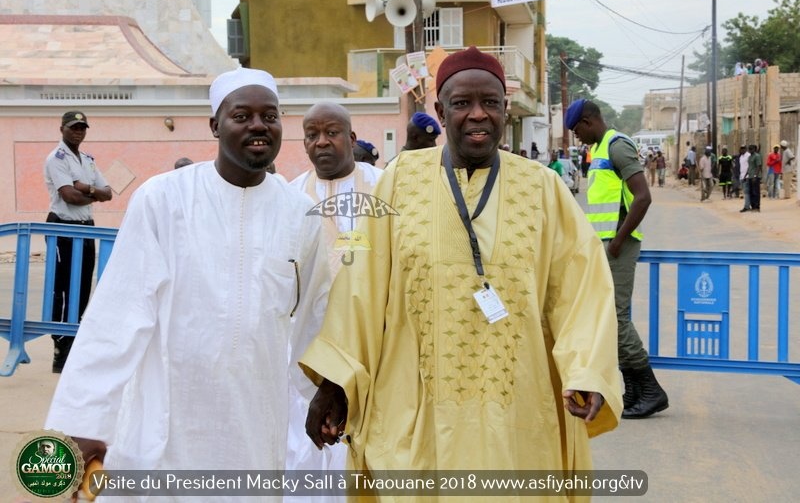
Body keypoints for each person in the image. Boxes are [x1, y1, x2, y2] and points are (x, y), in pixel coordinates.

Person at [301, 47, 621, 476]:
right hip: (414, 408)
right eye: (462, 103)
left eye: (490, 103)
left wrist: (586, 370)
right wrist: (335, 383)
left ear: (505, 110)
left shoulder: (542, 187)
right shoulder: (400, 179)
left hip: (518, 412)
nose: (477, 115)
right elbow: (362, 288)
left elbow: (582, 290)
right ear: (440, 109)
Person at [46, 68, 331, 480]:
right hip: (169, 418)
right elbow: (118, 314)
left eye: (270, 116)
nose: (258, 126)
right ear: (215, 125)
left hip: (255, 420)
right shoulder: (164, 199)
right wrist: (86, 422)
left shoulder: (299, 213)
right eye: (242, 115)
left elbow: (315, 317)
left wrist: (327, 390)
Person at [565, 98, 669, 419]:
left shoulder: (616, 146)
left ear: (588, 120)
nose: (576, 137)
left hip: (618, 246)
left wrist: (617, 241)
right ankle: (635, 389)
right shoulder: (598, 151)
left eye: (576, 130)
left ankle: (651, 390)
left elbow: (643, 197)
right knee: (610, 319)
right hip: (606, 245)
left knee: (617, 318)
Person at [44, 110, 113, 373]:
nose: (78, 132)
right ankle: (60, 346)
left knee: (83, 284)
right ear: (61, 128)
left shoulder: (88, 160)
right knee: (63, 285)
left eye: (82, 128)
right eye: (73, 127)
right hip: (63, 226)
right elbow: (69, 197)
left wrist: (86, 188)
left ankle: (75, 338)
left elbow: (108, 192)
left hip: (86, 228)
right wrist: (91, 192)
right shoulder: (57, 158)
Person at [291, 101, 384, 276]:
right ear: (305, 144)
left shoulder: (382, 184)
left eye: (332, 133)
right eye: (312, 135)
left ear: (352, 139)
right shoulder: (293, 194)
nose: (322, 142)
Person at [746, 144, 762, 212]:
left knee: (756, 192)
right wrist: (746, 175)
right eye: (749, 149)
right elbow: (749, 167)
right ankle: (753, 206)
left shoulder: (757, 156)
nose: (750, 150)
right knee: (751, 192)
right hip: (750, 176)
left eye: (751, 149)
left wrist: (755, 176)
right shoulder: (750, 157)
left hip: (755, 177)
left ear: (754, 149)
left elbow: (758, 166)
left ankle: (757, 207)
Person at [739, 145, 752, 211]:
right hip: (742, 176)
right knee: (745, 192)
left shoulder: (748, 155)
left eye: (743, 148)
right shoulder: (741, 156)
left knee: (747, 192)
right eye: (741, 149)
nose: (742, 150)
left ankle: (746, 206)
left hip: (747, 177)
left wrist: (745, 176)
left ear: (746, 149)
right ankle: (748, 205)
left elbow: (750, 167)